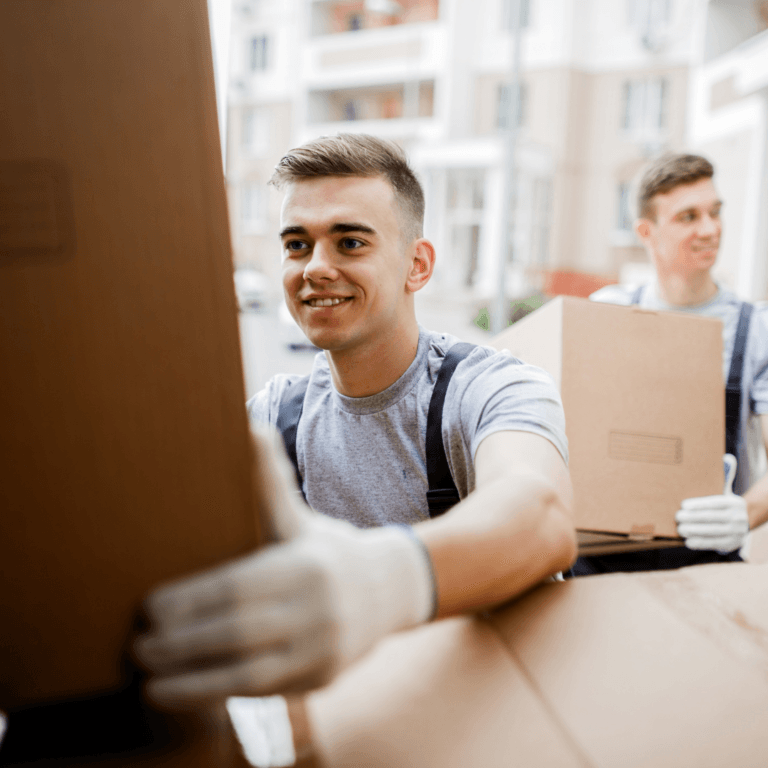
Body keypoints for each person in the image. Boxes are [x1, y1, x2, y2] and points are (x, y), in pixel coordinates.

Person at [133, 134, 576, 710]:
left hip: (487, 716)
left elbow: (541, 512)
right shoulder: (273, 417)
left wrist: (378, 584)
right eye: (297, 245)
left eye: (349, 242)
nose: (317, 268)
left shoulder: (490, 389)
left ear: (417, 265)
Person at [572, 152, 768, 575]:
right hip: (599, 554)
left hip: (704, 557)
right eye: (688, 217)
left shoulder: (757, 330)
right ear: (647, 232)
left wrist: (745, 513)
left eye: (715, 212)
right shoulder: (607, 313)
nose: (710, 229)